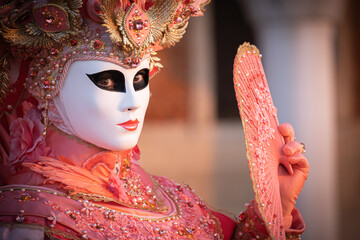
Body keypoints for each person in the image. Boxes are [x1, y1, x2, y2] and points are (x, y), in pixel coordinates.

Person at [0, 0, 309, 239]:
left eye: (140, 80)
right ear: (47, 85)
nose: (133, 102)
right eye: (108, 81)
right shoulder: (33, 218)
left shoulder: (174, 196)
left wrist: (276, 207)